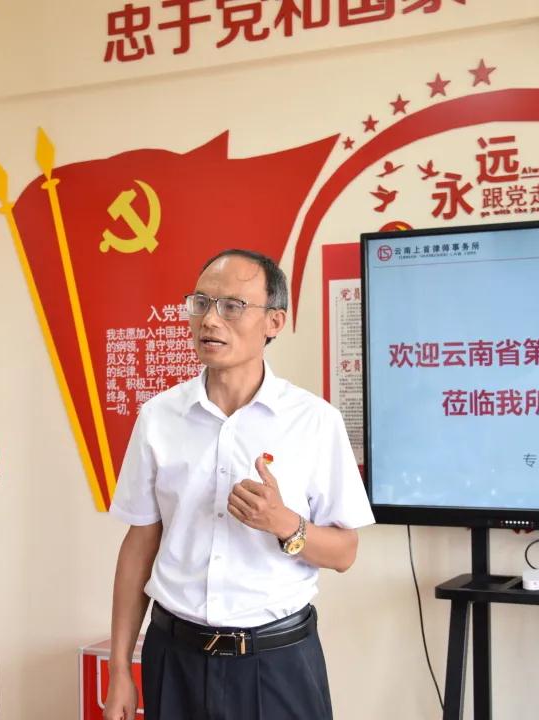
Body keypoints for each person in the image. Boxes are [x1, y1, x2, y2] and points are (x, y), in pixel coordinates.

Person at [103, 249, 374, 720]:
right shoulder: (159, 417)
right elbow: (140, 544)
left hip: (277, 662)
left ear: (274, 322)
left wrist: (285, 523)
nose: (210, 320)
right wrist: (120, 669)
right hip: (175, 657)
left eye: (232, 306)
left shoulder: (314, 421)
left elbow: (345, 552)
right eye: (201, 303)